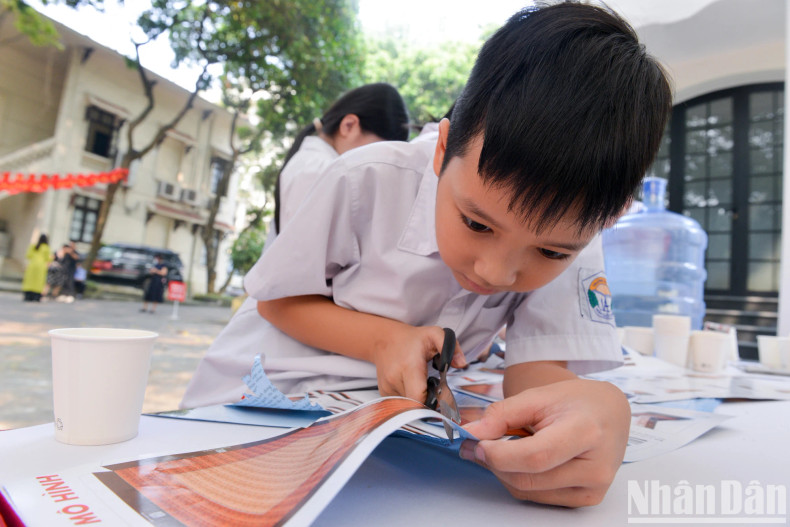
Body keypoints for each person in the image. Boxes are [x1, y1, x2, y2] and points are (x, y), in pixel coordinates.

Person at [183, 2, 672, 507]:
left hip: (384, 445)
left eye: (549, 252)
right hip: (248, 406)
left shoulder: (578, 228)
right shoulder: (365, 178)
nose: (495, 271)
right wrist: (383, 340)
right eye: (477, 223)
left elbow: (536, 369)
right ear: (442, 150)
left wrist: (596, 407)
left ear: (609, 219)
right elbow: (276, 301)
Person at [274, 82, 410, 233]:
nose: (376, 166)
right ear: (348, 125)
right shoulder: (319, 171)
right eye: (376, 152)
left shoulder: (316, 165)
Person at [21, 234, 51, 302]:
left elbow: (28, 255)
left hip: (32, 265)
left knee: (30, 280)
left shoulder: (33, 246)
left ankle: (28, 295)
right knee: (39, 281)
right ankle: (36, 296)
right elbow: (48, 258)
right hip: (41, 266)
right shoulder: (46, 247)